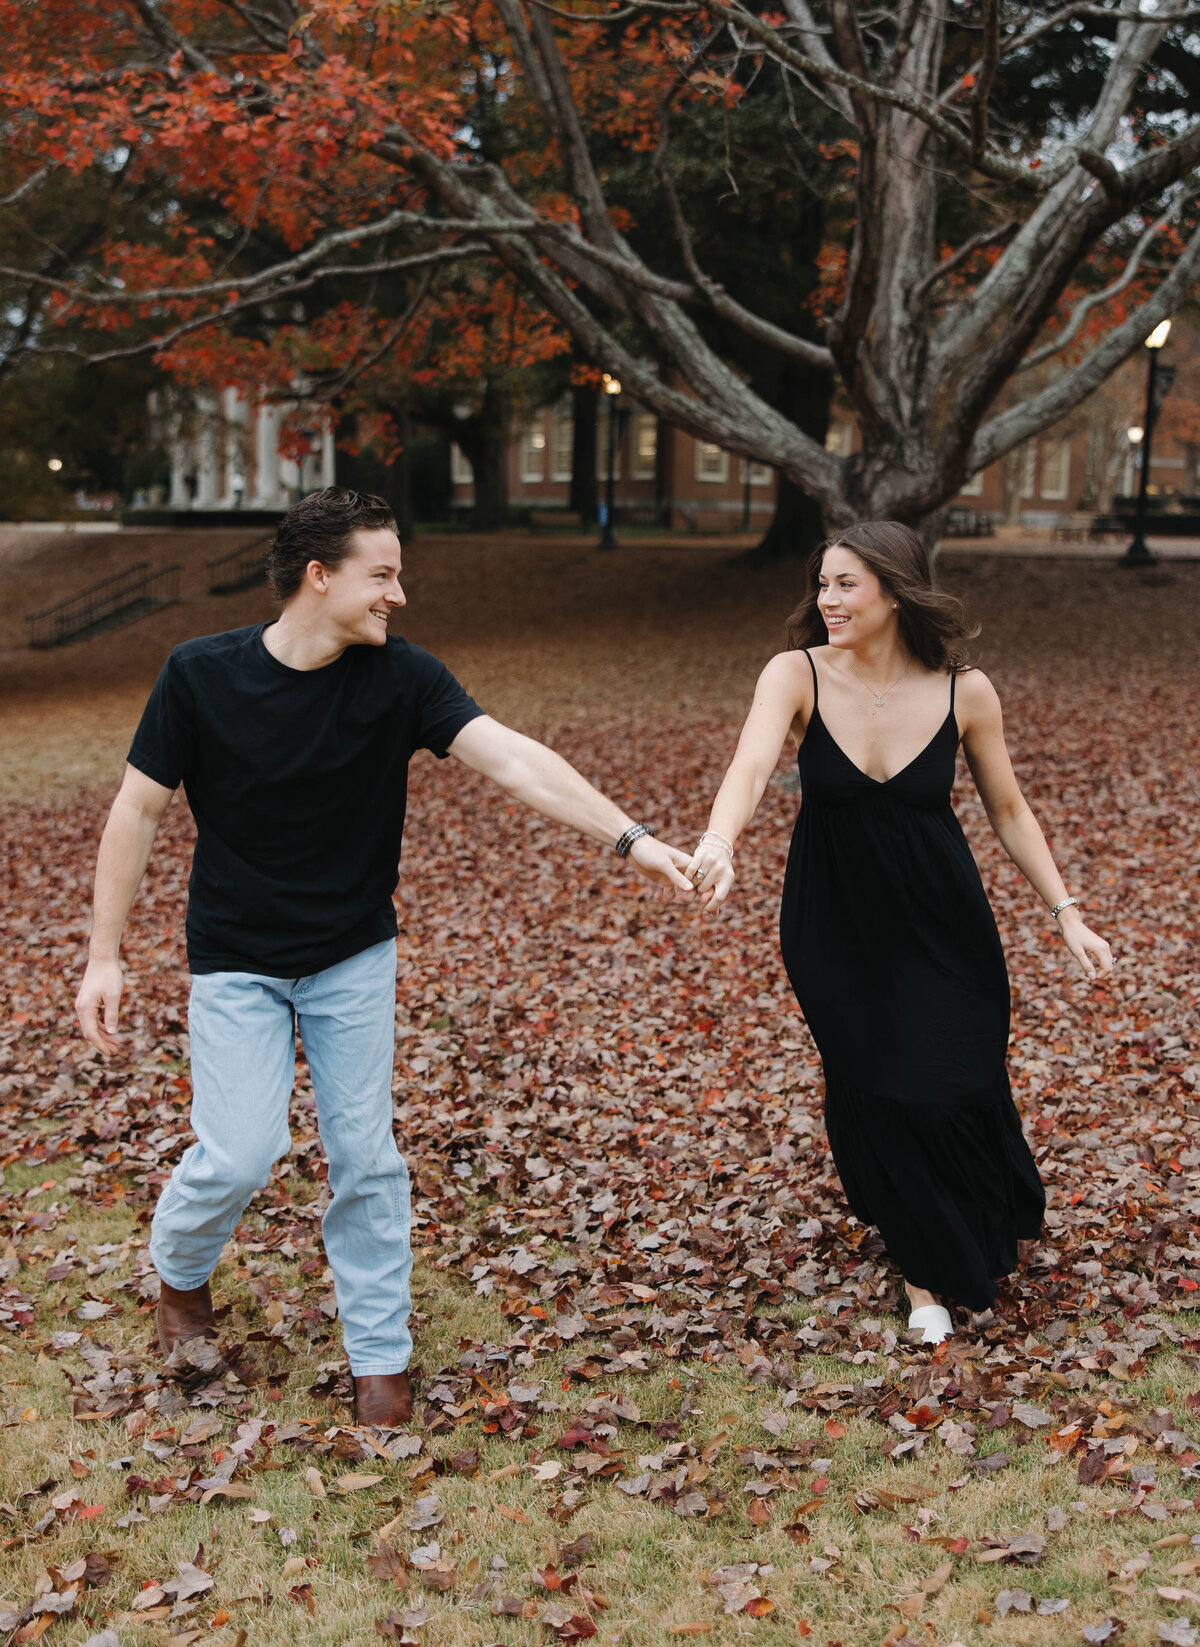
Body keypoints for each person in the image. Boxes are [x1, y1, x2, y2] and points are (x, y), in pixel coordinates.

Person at [74, 487, 692, 1425]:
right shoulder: (200, 673)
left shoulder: (401, 677)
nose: (399, 595)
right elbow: (138, 808)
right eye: (383, 575)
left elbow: (513, 758)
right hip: (235, 957)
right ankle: (181, 1272)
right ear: (320, 576)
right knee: (240, 1152)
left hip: (351, 956)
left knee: (366, 1156)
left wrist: (631, 838)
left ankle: (379, 1357)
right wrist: (104, 954)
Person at [685, 521, 1113, 1342]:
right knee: (883, 1083)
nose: (827, 598)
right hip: (834, 920)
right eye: (822, 583)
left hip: (944, 916)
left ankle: (960, 1219)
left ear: (894, 588)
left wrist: (1067, 913)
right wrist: (719, 840)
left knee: (958, 1073)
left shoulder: (965, 691)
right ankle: (924, 1281)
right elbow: (750, 765)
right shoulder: (796, 673)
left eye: (846, 583)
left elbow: (1009, 809)